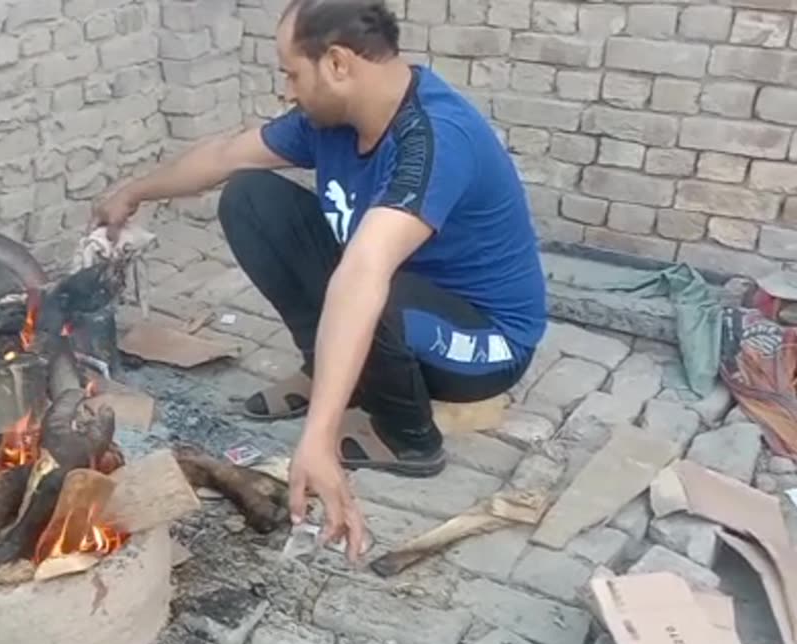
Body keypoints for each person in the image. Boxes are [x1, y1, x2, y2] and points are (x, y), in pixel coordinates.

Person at [92, 0, 547, 562]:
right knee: (251, 197)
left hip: (485, 341)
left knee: (365, 286)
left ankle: (406, 436)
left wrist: (319, 438)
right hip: (403, 296)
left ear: (336, 64)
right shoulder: (330, 122)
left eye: (291, 73)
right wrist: (135, 190)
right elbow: (227, 153)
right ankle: (328, 368)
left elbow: (362, 276)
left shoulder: (433, 137)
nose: (287, 91)